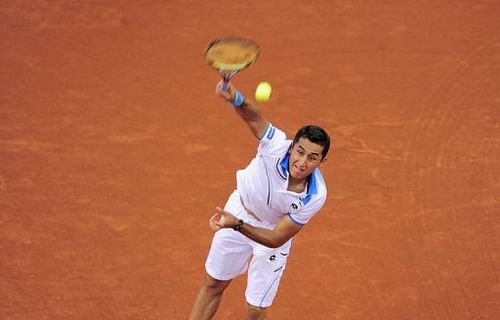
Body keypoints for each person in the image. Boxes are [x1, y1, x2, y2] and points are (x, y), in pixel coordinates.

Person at [189, 80, 331, 320]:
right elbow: (254, 118)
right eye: (300, 151)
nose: (302, 162)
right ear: (291, 148)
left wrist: (235, 224)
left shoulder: (314, 196)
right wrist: (235, 97)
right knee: (213, 283)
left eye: (312, 157)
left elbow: (276, 238)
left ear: (321, 162)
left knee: (255, 310)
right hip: (239, 210)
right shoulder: (275, 145)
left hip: (267, 232)